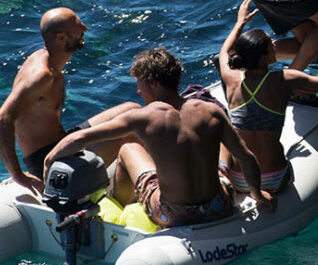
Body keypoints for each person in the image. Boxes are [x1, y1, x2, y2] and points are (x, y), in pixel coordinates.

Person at [42, 46, 274, 226]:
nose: (138, 91)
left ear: (152, 83)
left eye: (140, 84)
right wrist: (257, 194)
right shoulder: (210, 111)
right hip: (217, 206)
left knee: (128, 149)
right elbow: (247, 158)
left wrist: (48, 162)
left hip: (172, 214)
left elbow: (79, 139)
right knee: (222, 146)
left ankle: (121, 207)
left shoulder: (144, 118)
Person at [215, 0, 318, 196]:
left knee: (223, 130)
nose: (276, 46)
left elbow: (224, 51)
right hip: (274, 178)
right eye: (271, 45)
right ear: (263, 57)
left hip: (240, 179)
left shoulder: (231, 78)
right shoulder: (285, 79)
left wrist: (240, 23)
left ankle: (222, 172)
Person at [0, 7, 138, 194]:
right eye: (78, 26)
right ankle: (124, 197)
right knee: (132, 133)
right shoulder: (41, 76)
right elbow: (1, 121)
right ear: (61, 38)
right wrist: (18, 175)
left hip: (63, 142)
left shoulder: (47, 60)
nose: (84, 28)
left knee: (132, 110)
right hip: (49, 160)